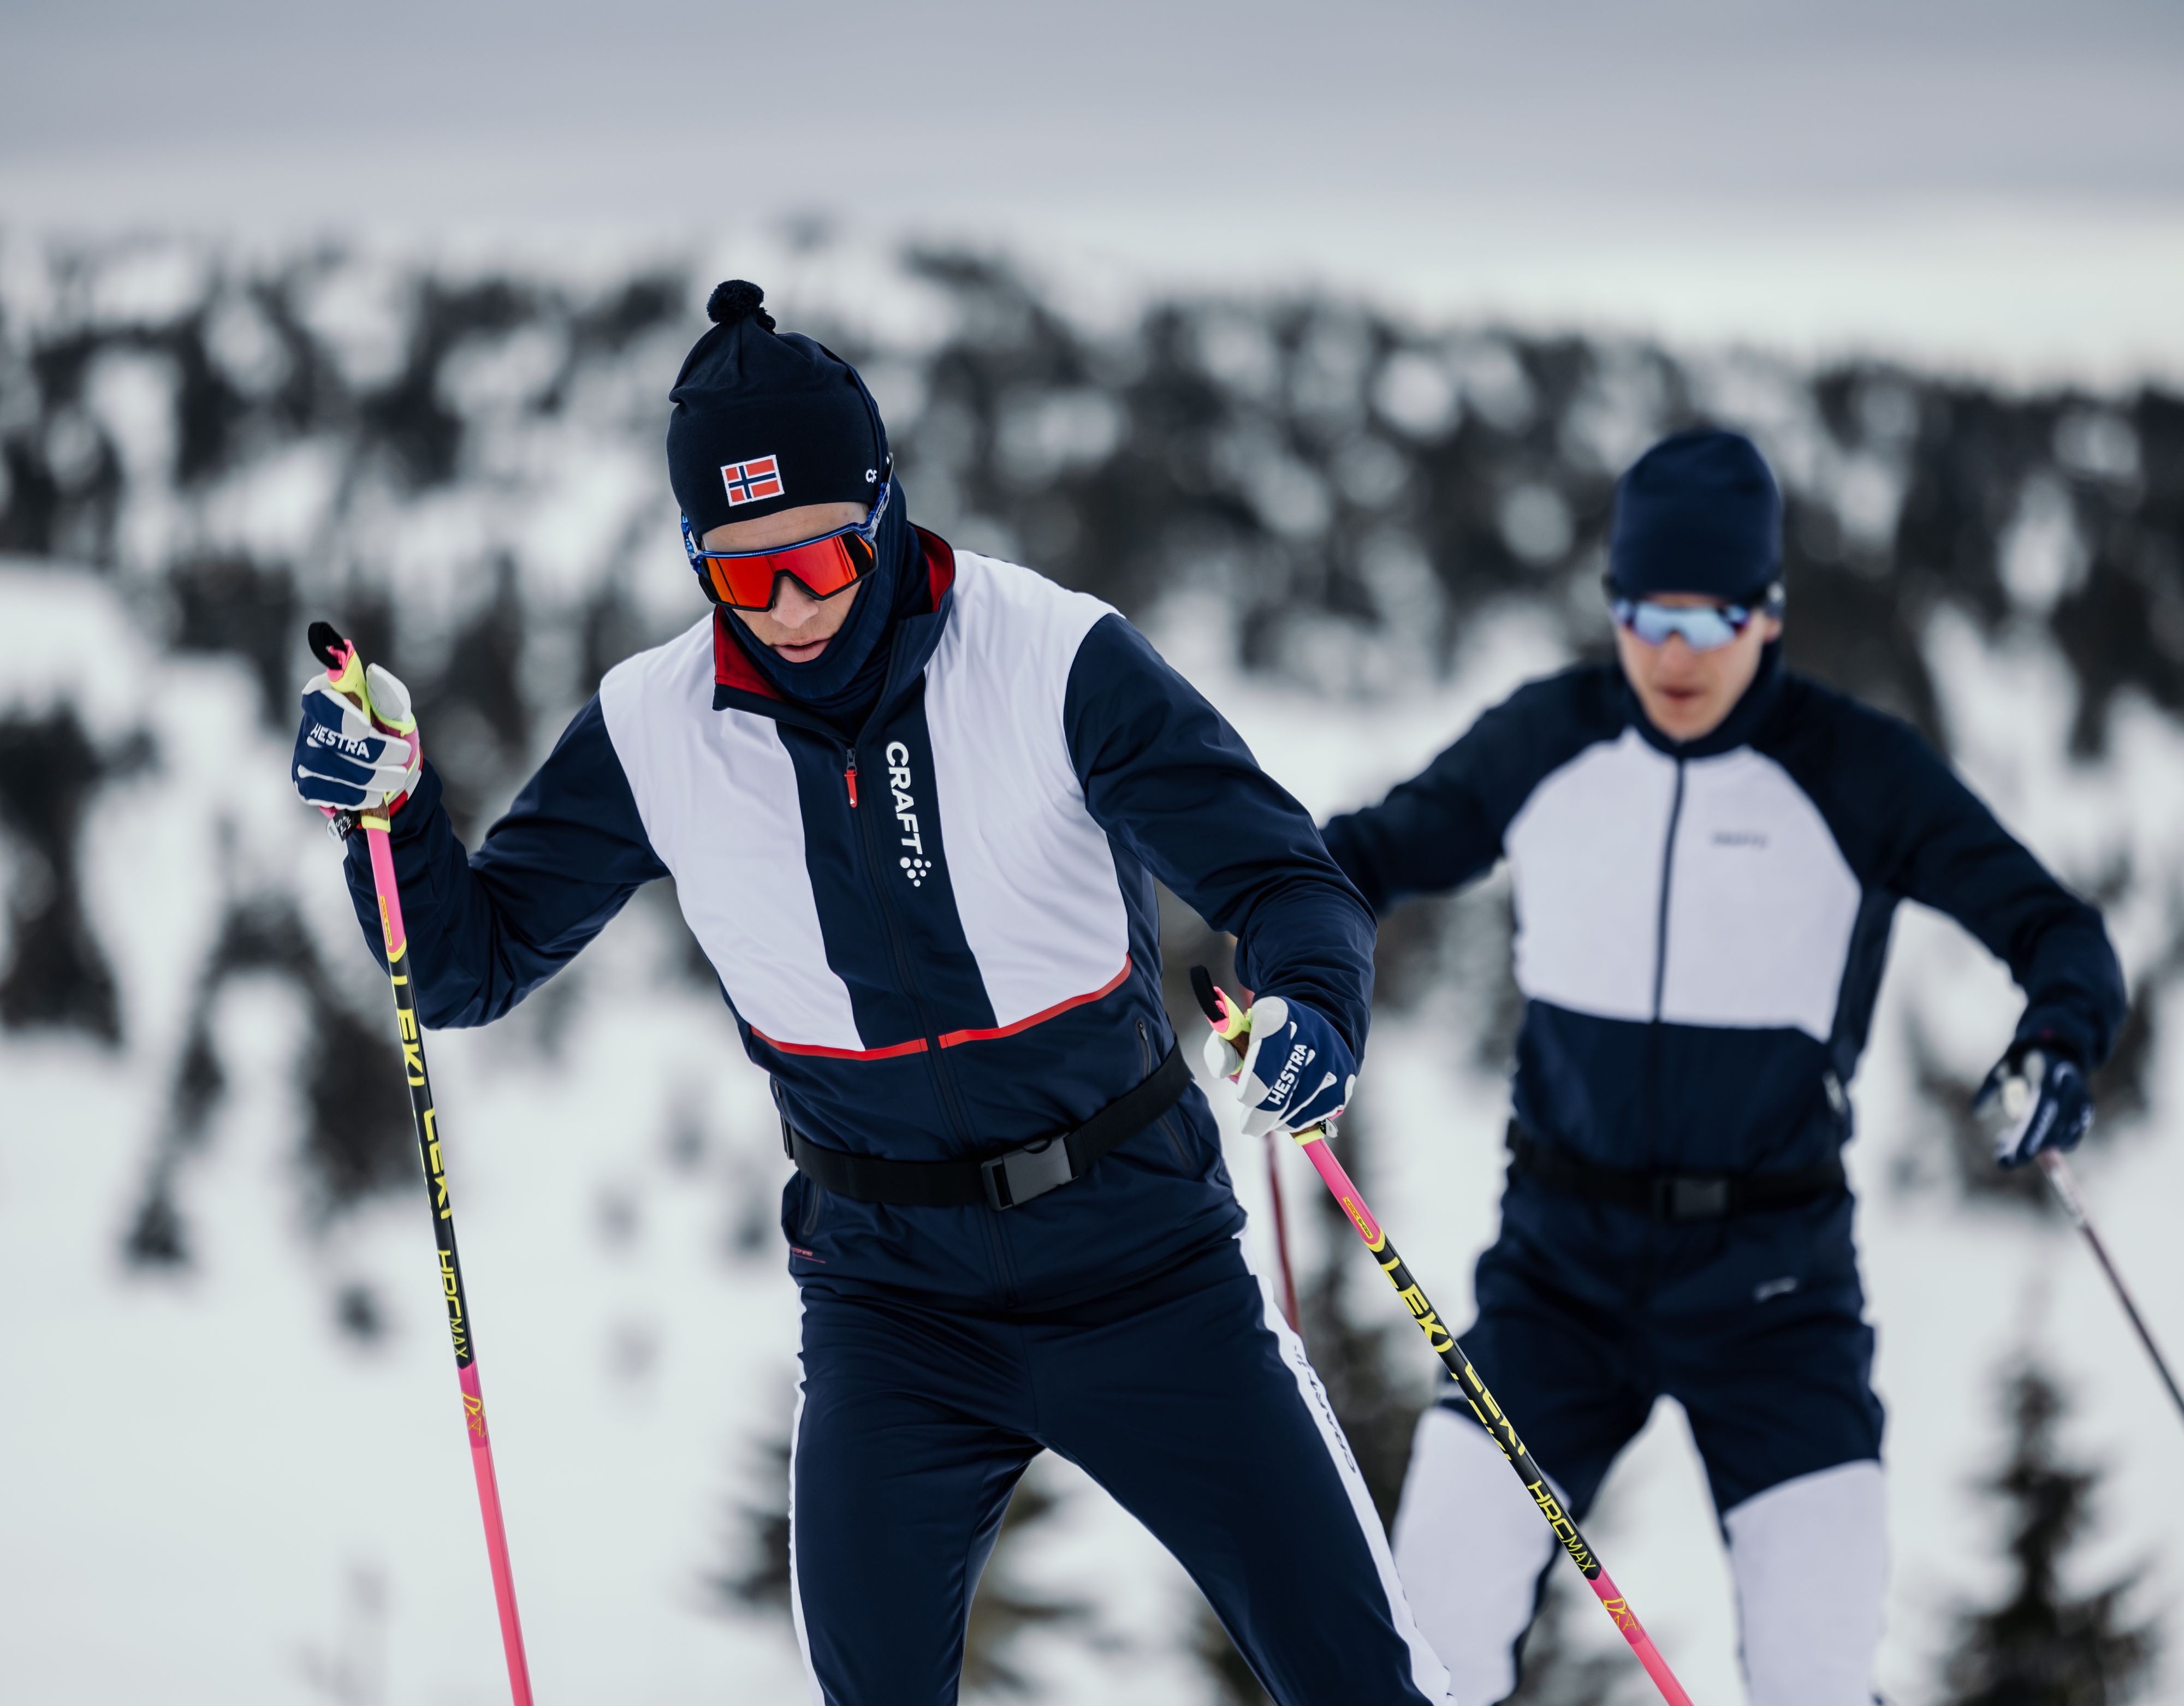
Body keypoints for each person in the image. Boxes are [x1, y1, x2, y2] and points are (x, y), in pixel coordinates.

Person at [290, 280, 1450, 1706]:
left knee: (1363, 1680)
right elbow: (464, 965)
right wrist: (392, 815)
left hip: (1147, 1266)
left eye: (823, 559)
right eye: (739, 568)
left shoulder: (1053, 660)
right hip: (895, 1305)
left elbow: (1285, 878)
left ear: (886, 510)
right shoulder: (657, 730)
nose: (786, 606)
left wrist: (1313, 1016)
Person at [1319, 429, 2126, 1706]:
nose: (1673, 654)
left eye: (1710, 619)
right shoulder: (1553, 737)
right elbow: (1356, 857)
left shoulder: (1852, 768)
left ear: (1768, 612)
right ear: (1612, 605)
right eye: (1643, 614)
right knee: (1425, 1638)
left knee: (1814, 1672)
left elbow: (2054, 930)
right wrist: (1276, 941)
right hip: (1556, 1278)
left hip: (1774, 1288)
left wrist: (2058, 1039)